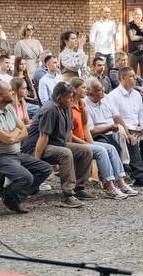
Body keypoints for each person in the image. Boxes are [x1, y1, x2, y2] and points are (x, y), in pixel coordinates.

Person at [0, 80, 54, 213]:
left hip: (14, 154)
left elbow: (23, 130)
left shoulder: (7, 108)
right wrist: (14, 134)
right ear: (0, 95)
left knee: (45, 169)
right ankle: (10, 197)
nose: (13, 93)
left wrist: (14, 135)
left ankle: (12, 196)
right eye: (10, 91)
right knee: (26, 178)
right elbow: (8, 139)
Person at [22, 80, 92, 208]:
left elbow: (68, 135)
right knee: (65, 153)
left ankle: (78, 188)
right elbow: (43, 137)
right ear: (59, 98)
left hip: (55, 144)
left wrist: (72, 152)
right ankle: (67, 195)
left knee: (85, 150)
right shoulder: (50, 109)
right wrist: (36, 161)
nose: (71, 100)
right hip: (36, 147)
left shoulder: (66, 107)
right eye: (69, 97)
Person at [71, 82, 136, 199]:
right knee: (101, 150)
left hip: (84, 140)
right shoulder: (70, 107)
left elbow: (85, 127)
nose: (86, 91)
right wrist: (85, 143)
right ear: (74, 90)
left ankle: (121, 182)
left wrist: (90, 142)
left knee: (110, 148)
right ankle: (109, 186)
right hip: (74, 142)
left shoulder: (81, 104)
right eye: (83, 87)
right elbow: (69, 134)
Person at [107, 68, 143, 186]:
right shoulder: (113, 95)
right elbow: (115, 117)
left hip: (138, 128)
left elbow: (142, 114)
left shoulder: (137, 94)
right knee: (132, 141)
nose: (135, 78)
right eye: (131, 76)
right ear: (123, 78)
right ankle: (139, 176)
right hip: (122, 129)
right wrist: (129, 131)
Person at [90, 6, 119, 71]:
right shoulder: (96, 24)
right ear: (101, 13)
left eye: (109, 12)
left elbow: (114, 37)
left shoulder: (112, 24)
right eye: (105, 12)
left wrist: (115, 48)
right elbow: (91, 39)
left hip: (110, 52)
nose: (107, 13)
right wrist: (97, 48)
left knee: (112, 71)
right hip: (100, 52)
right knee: (100, 70)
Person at [127, 8, 143, 78]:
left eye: (139, 14)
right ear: (133, 15)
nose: (138, 16)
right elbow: (132, 38)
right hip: (133, 54)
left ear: (142, 15)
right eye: (136, 14)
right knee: (132, 75)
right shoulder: (129, 25)